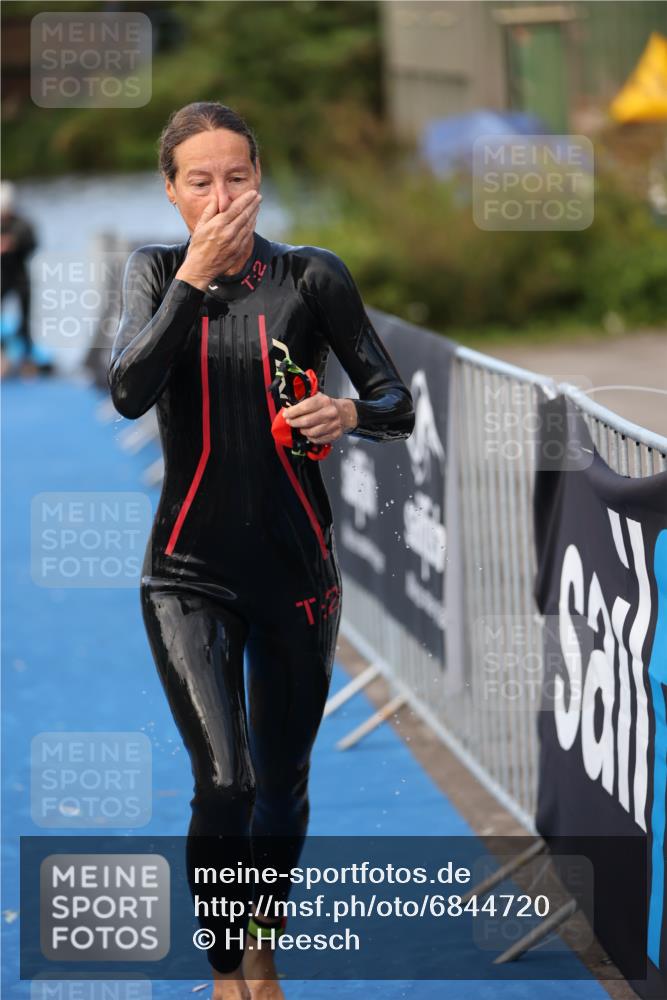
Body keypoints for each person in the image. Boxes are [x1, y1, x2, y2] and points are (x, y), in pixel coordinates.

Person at [108, 101, 415, 1000]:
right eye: (198, 180)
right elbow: (129, 390)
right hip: (185, 573)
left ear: (259, 178)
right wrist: (192, 282)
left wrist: (348, 412)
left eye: (235, 176)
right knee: (226, 783)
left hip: (295, 573)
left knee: (282, 783)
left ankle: (261, 938)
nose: (220, 195)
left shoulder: (312, 277)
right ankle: (223, 973)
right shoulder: (154, 271)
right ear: (171, 192)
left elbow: (394, 402)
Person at [0, 181, 41, 375]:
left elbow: (33, 244)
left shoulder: (22, 225)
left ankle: (27, 359)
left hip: (20, 276)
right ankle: (3, 355)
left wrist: (14, 243)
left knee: (25, 319)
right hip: (3, 277)